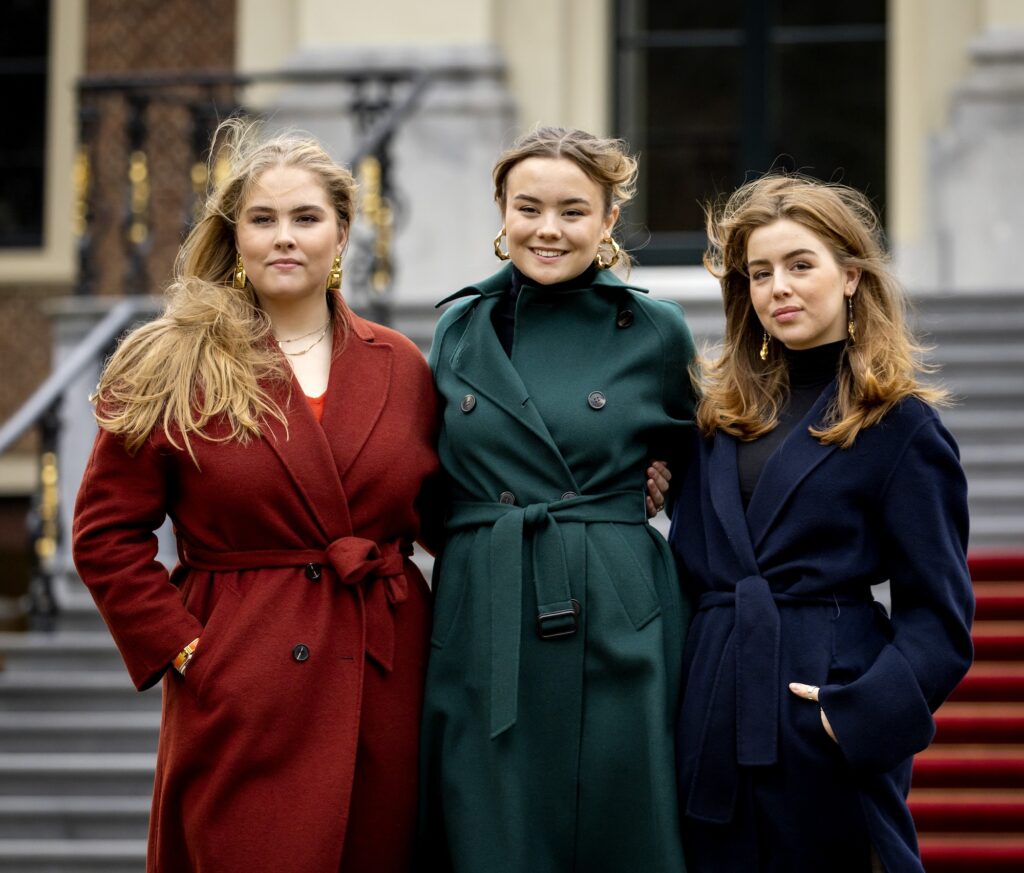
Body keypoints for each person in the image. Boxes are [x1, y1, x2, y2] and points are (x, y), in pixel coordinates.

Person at [72, 119, 439, 872]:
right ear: (234, 235)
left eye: (306, 218)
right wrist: (188, 648)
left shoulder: (401, 364)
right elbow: (104, 533)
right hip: (243, 676)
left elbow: (449, 512)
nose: (285, 237)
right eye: (262, 219)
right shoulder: (172, 361)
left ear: (342, 234)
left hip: (384, 672)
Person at [669, 174, 975, 873]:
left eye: (801, 265)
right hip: (710, 722)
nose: (779, 286)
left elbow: (941, 616)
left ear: (850, 277)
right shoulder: (715, 420)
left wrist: (856, 713)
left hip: (823, 722)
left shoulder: (900, 426)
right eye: (760, 272)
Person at [419, 126, 696, 872]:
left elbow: (701, 460)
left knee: (620, 817)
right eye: (528, 207)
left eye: (573, 211)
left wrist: (654, 479)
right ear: (501, 214)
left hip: (617, 605)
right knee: (490, 820)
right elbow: (424, 475)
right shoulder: (458, 328)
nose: (548, 229)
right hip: (485, 601)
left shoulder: (656, 330)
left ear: (608, 221)